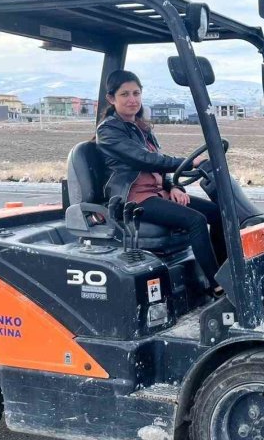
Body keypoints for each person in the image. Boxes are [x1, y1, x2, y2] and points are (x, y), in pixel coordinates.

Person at [96, 69, 226, 294]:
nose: (132, 99)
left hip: (157, 193)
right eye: (125, 94)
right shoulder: (108, 130)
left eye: (136, 93)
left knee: (218, 213)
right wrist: (189, 162)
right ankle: (217, 286)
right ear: (111, 98)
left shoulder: (141, 128)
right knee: (196, 221)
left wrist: (173, 186)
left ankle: (226, 271)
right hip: (133, 198)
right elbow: (144, 159)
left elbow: (157, 164)